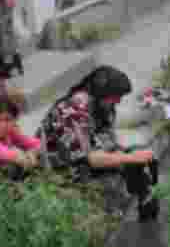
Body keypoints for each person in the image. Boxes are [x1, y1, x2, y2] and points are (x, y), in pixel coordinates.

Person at [36, 65, 160, 221]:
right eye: (116, 96)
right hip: (61, 172)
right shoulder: (74, 109)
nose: (118, 101)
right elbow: (91, 158)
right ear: (102, 90)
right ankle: (107, 216)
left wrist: (135, 158)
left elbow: (108, 146)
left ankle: (144, 205)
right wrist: (132, 158)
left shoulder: (102, 107)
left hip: (84, 163)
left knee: (134, 161)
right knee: (124, 168)